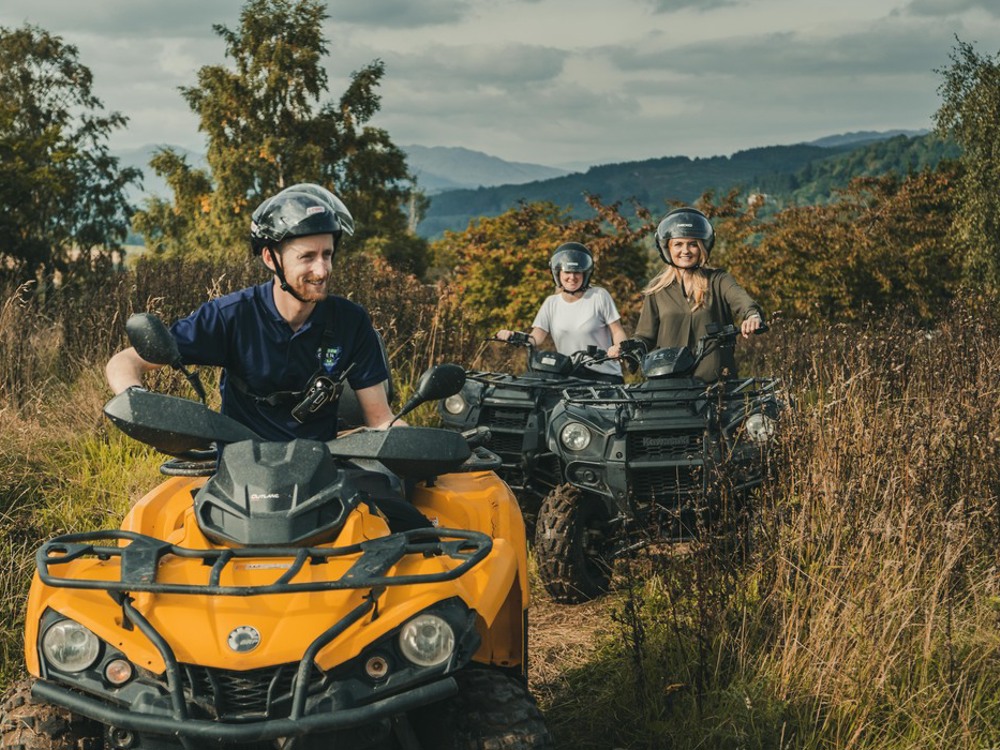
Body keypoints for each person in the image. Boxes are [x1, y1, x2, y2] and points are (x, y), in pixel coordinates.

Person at [105, 184, 397, 441]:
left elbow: (380, 419)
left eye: (327, 255)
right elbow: (124, 361)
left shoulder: (350, 321)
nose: (321, 270)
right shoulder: (231, 316)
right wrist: (138, 401)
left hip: (322, 473)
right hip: (241, 474)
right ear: (271, 258)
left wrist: (421, 448)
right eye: (307, 257)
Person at [608, 207, 764, 381]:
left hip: (715, 384)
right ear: (667, 248)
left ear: (703, 246)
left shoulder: (718, 280)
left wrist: (752, 316)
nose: (686, 250)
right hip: (669, 384)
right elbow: (645, 336)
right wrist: (626, 348)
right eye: (678, 244)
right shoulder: (657, 290)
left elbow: (741, 300)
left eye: (692, 244)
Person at [496, 242, 628, 383]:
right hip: (569, 376)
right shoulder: (551, 303)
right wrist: (513, 335)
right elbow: (536, 338)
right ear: (558, 273)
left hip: (603, 375)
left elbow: (617, 331)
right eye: (567, 272)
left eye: (577, 272)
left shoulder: (599, 296)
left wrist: (618, 347)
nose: (572, 277)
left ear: (585, 273)